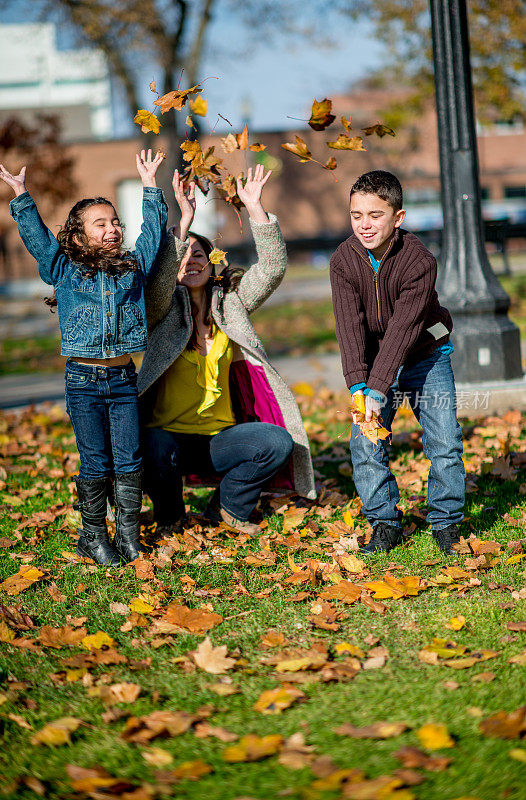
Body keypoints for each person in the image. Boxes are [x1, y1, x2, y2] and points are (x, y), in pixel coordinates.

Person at [0, 151, 167, 565]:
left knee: (129, 459)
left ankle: (128, 534)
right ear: (77, 236)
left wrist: (149, 187)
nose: (111, 229)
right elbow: (36, 237)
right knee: (95, 460)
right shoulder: (63, 267)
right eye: (100, 223)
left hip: (124, 380)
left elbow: (153, 234)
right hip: (83, 382)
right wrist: (21, 194)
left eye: (114, 222)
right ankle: (92, 535)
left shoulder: (133, 266)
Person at [139, 164, 316, 534]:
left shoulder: (230, 305)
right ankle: (170, 516)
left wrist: (254, 208)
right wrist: (184, 221)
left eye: (200, 255)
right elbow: (154, 292)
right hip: (167, 438)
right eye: (183, 257)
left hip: (220, 440)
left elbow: (271, 269)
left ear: (212, 264)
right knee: (153, 444)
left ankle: (227, 508)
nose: (192, 261)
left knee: (276, 442)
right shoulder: (163, 310)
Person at [330, 170, 465, 555]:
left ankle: (446, 522)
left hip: (425, 354)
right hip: (373, 363)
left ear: (398, 218)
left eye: (375, 215)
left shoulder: (418, 260)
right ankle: (384, 523)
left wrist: (377, 388)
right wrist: (360, 386)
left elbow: (404, 330)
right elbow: (349, 327)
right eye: (356, 215)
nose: (364, 225)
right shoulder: (343, 260)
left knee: (444, 440)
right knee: (365, 441)